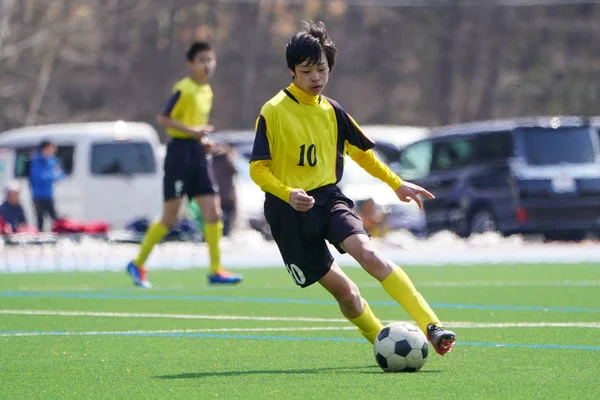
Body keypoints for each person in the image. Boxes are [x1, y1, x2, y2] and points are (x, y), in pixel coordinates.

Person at [249, 22, 456, 355]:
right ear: (292, 71)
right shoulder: (272, 111)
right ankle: (380, 341)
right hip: (288, 212)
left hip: (329, 199)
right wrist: (288, 193)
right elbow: (257, 169)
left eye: (322, 69)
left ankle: (432, 325)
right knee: (347, 294)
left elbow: (362, 154)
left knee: (369, 254)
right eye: (307, 71)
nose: (316, 78)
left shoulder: (333, 110)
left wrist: (397, 184)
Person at [126, 41, 242, 288]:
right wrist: (193, 131)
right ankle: (137, 263)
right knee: (170, 217)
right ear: (190, 64)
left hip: (197, 154)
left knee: (214, 211)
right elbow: (163, 118)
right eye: (201, 60)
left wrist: (203, 141)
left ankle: (215, 269)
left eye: (210, 60)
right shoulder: (184, 88)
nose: (207, 65)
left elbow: (196, 127)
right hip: (179, 155)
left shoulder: (207, 91)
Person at [29, 140, 64, 231]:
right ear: (44, 149)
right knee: (40, 218)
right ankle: (39, 237)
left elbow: (60, 174)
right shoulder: (36, 161)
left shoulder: (52, 160)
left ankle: (58, 232)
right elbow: (39, 176)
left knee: (54, 217)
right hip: (38, 195)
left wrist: (51, 175)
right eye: (50, 148)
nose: (52, 151)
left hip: (48, 194)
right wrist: (52, 175)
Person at [210, 143, 238, 236]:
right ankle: (225, 234)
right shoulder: (226, 159)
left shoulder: (211, 160)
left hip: (215, 195)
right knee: (227, 219)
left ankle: (218, 235)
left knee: (217, 218)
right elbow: (234, 171)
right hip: (227, 195)